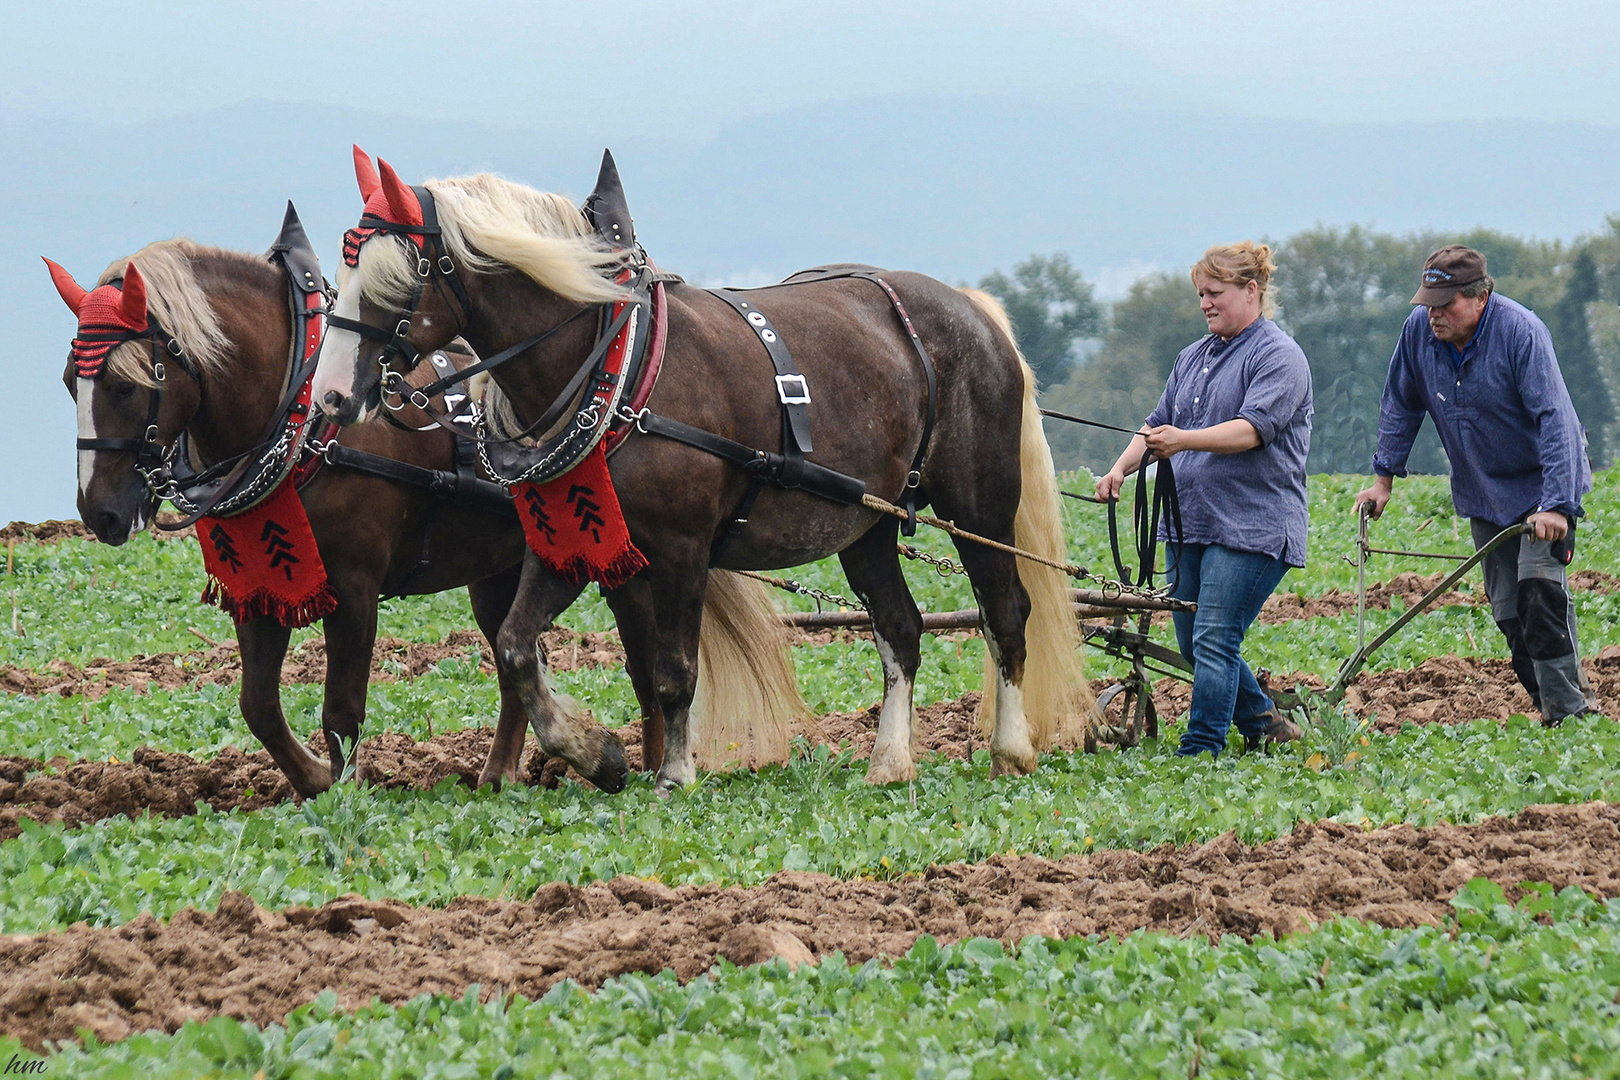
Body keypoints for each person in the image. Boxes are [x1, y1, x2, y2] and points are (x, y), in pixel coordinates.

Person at [1354, 245, 1598, 726]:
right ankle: (1549, 704)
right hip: (1483, 492)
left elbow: (1556, 419)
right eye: (1428, 304)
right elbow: (1401, 403)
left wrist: (1556, 505)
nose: (1433, 315)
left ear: (1481, 297)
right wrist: (1383, 479)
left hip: (1543, 489)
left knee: (1539, 594)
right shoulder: (1419, 335)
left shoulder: (1520, 332)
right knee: (1510, 612)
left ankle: (1571, 714)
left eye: (1445, 305)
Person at [1097, 242, 1313, 757]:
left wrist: (1184, 440)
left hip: (1252, 526)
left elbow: (1250, 431)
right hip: (1189, 523)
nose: (1205, 304)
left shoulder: (1279, 357)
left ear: (1251, 291)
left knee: (1215, 639)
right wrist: (1121, 468)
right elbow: (1156, 425)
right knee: (1196, 643)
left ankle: (1202, 748)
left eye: (1215, 293)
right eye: (1201, 295)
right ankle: (1263, 722)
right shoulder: (1192, 357)